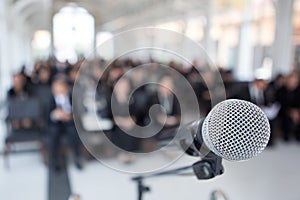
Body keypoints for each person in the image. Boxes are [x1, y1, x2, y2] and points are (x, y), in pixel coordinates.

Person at [48, 78, 82, 171]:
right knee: (53, 134)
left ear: (66, 89)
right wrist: (55, 115)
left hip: (69, 123)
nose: (59, 92)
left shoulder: (72, 98)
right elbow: (46, 115)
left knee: (74, 132)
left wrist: (69, 116)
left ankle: (77, 157)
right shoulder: (50, 100)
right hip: (55, 125)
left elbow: (78, 113)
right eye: (57, 90)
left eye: (61, 90)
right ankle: (54, 160)